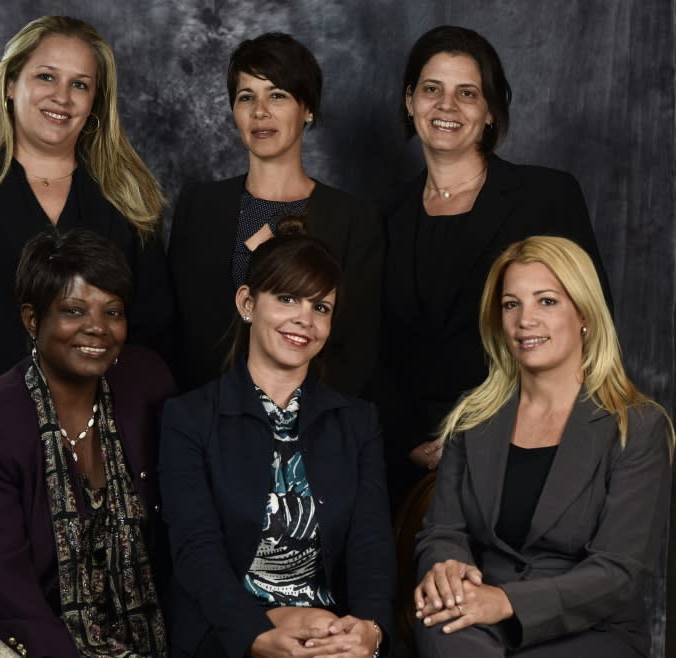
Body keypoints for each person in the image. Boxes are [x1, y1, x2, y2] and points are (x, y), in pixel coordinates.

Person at [0, 229, 175, 657]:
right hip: (2, 623)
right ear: (33, 320)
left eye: (113, 312)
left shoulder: (147, 385)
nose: (97, 328)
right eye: (73, 310)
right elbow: (8, 593)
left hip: (131, 630)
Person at [378, 25, 612, 512]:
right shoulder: (382, 216)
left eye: (467, 93)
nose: (446, 107)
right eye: (431, 90)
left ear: (489, 111)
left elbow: (588, 331)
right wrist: (410, 446)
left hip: (527, 457)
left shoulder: (547, 197)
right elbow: (374, 352)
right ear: (409, 102)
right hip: (410, 469)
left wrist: (485, 441)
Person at [0, 15, 172, 434]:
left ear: (95, 102)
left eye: (80, 84)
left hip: (105, 437)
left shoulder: (129, 193)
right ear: (11, 85)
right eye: (47, 76)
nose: (62, 98)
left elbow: (154, 322)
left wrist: (120, 421)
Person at [413, 236, 673, 657]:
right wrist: (446, 567)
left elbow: (618, 572)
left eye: (546, 301)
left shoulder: (637, 427)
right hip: (476, 611)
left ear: (584, 313)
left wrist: (508, 603)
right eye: (511, 304)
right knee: (443, 630)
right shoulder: (473, 418)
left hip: (590, 628)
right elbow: (443, 531)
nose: (524, 320)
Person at [159, 218, 395, 658]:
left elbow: (371, 546)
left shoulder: (358, 422)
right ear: (247, 302)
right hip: (228, 631)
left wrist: (371, 629)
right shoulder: (189, 418)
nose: (304, 320)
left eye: (321, 307)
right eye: (287, 298)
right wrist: (256, 633)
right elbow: (197, 552)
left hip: (331, 628)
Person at [168, 31, 382, 395]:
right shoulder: (198, 207)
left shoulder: (354, 220)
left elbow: (358, 351)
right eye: (246, 97)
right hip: (206, 420)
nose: (260, 111)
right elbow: (175, 334)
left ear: (309, 109)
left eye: (277, 95)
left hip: (311, 427)